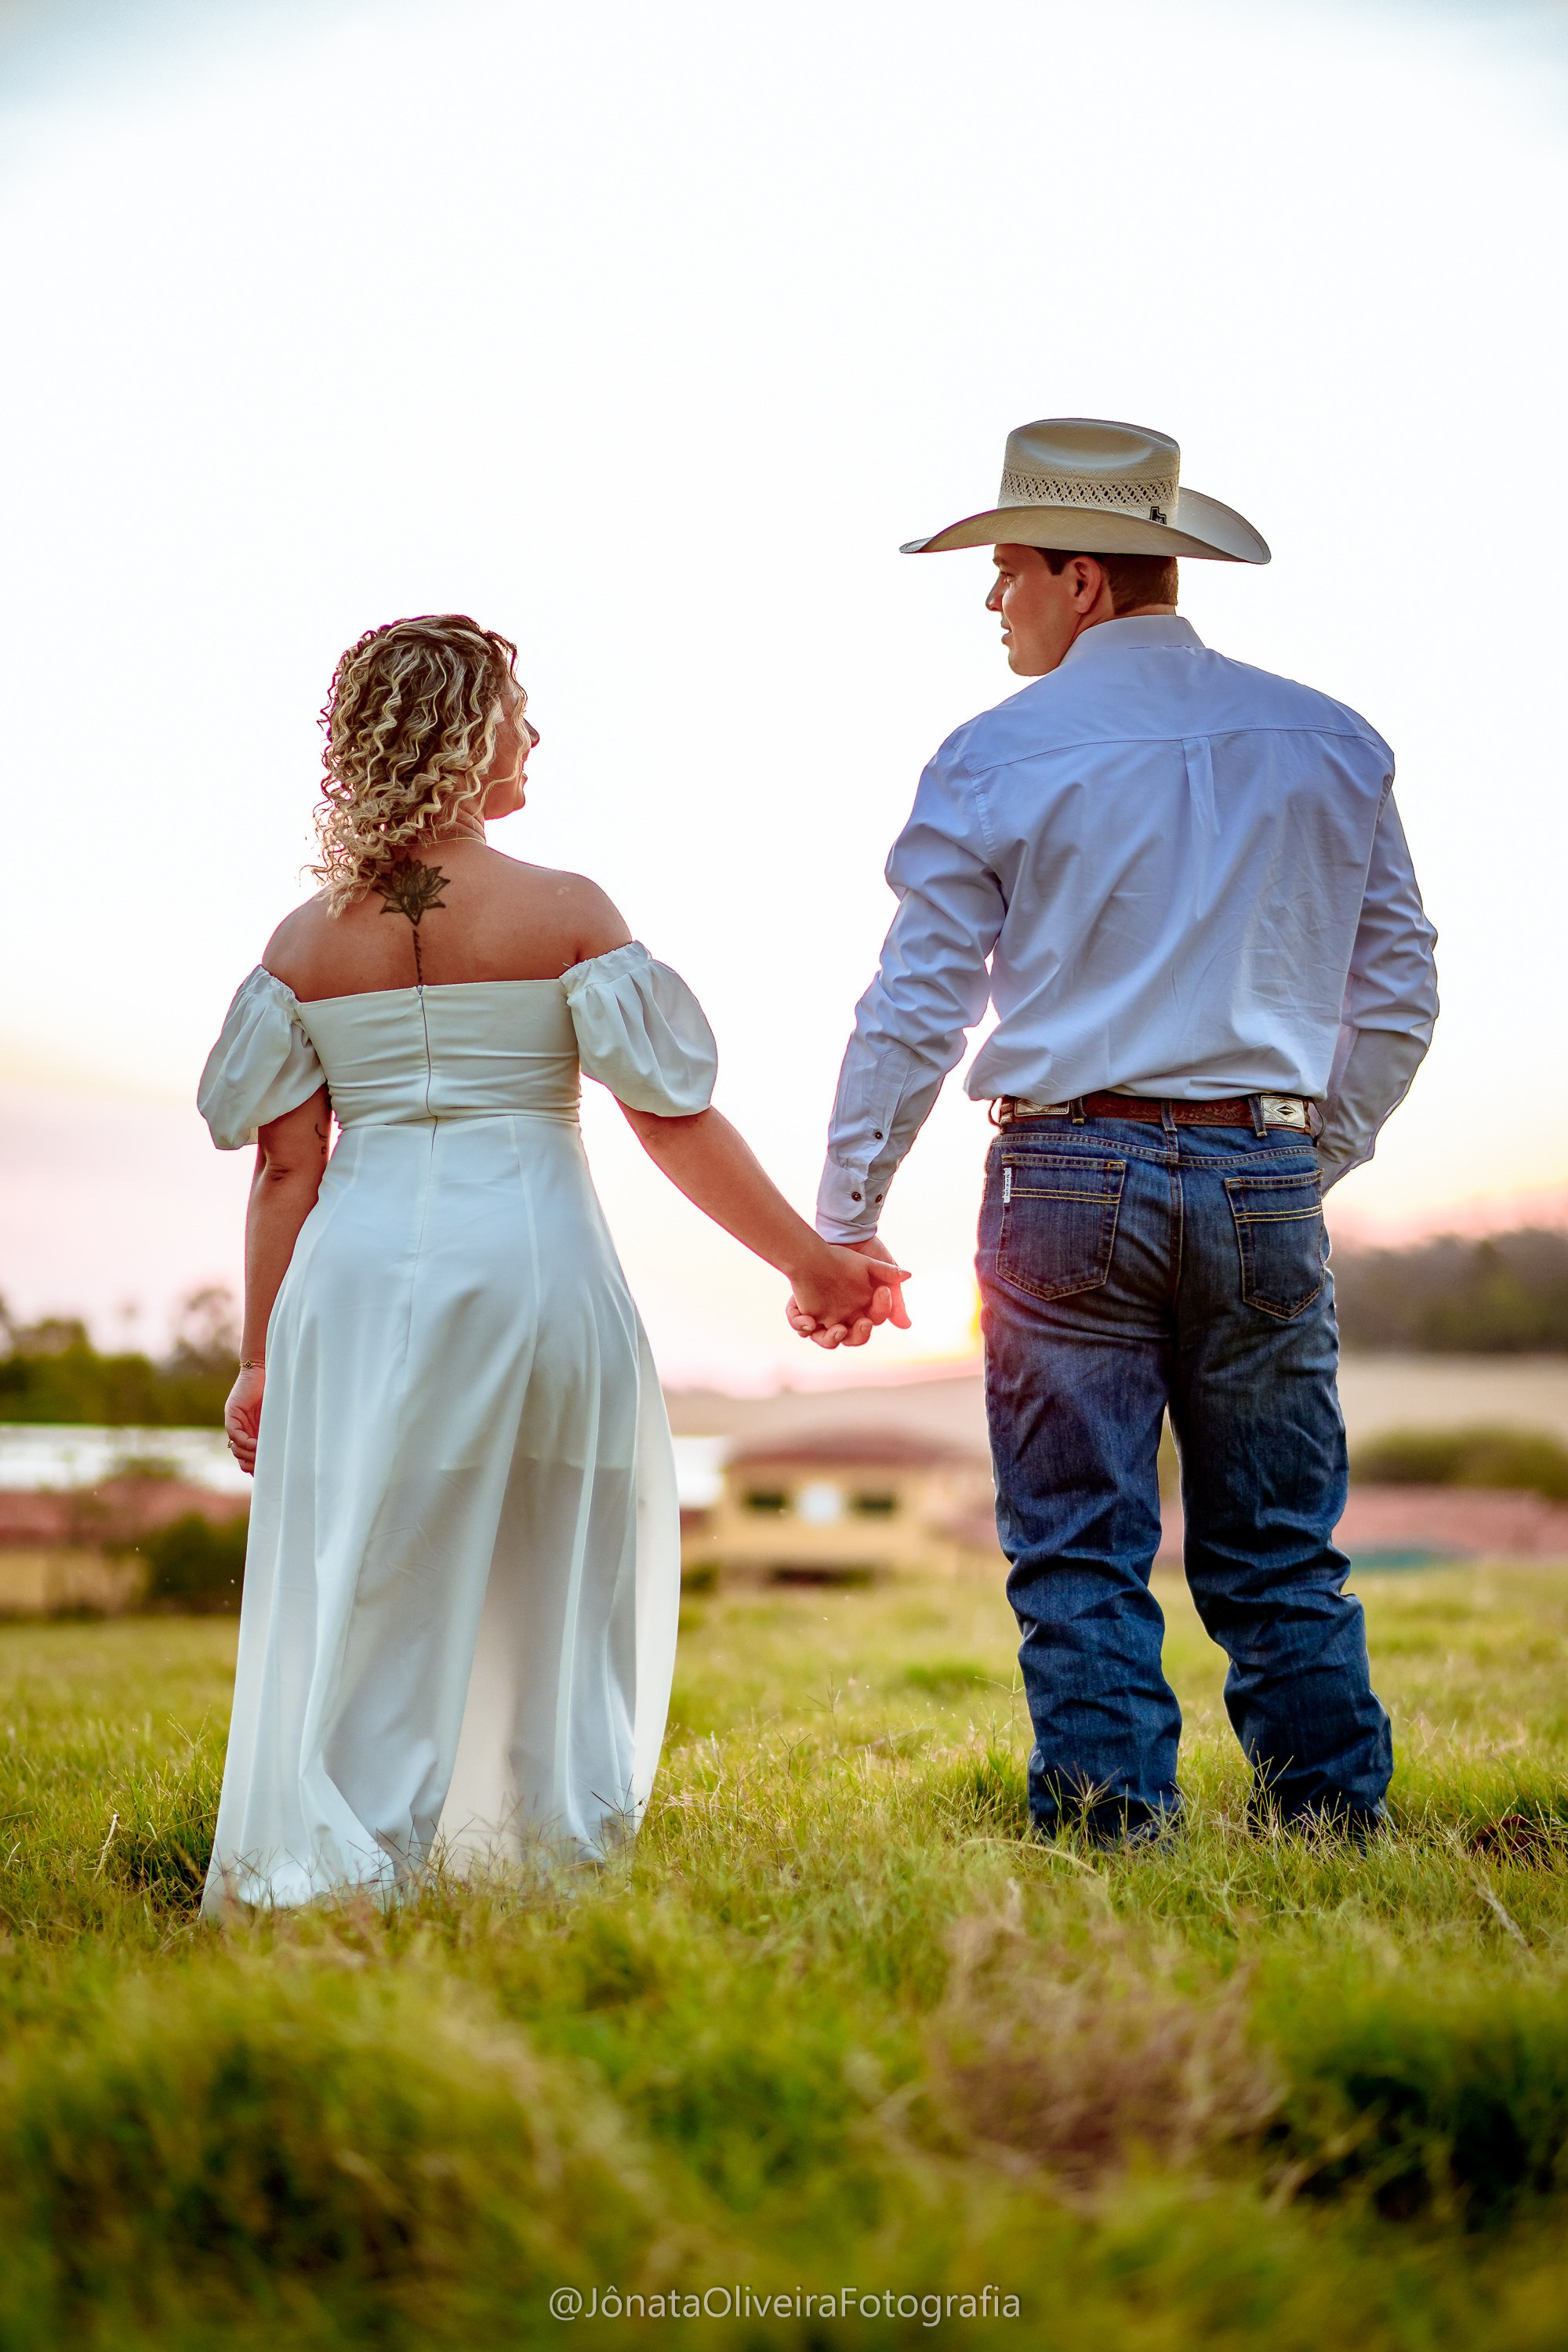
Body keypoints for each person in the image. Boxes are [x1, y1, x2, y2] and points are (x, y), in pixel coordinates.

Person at [793, 418, 1438, 1844]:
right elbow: (1396, 991)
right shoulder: (1333, 740)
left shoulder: (991, 755)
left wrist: (846, 1217)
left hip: (1065, 1176)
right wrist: (1299, 1158)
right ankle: (1333, 1836)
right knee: (1280, 1548)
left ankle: (1109, 1843)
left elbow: (916, 1008)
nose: (991, 601)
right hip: (1264, 1166)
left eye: (1008, 569)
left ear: (1084, 579)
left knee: (1079, 1547)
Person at [198, 612, 904, 1911]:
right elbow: (668, 1119)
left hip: (352, 1288)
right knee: (552, 1550)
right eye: (518, 712)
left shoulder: (301, 945)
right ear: (466, 739)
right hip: (532, 1272)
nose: (535, 736)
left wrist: (256, 1357)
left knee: (372, 1558)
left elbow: (287, 1168)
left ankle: (354, 1862)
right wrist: (810, 1261)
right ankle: (544, 1853)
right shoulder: (567, 910)